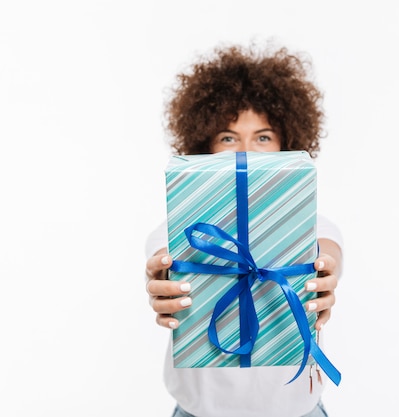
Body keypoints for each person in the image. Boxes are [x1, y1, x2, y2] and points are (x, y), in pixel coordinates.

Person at [144, 41, 343, 417]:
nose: (246, 150)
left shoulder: (314, 224)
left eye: (263, 137)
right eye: (228, 137)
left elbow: (328, 252)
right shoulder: (179, 227)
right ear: (204, 143)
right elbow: (161, 260)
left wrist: (325, 274)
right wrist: (162, 280)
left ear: (288, 142)